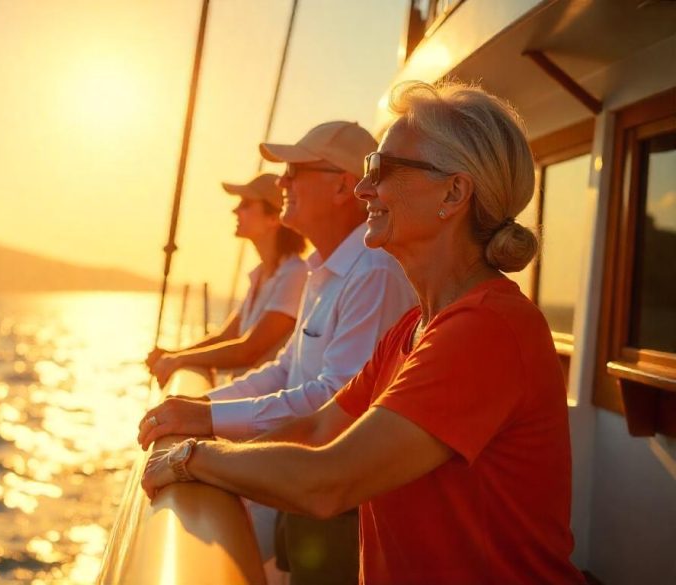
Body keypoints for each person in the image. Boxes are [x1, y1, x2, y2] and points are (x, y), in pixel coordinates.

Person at [141, 81, 587, 584]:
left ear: (453, 192)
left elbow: (329, 481)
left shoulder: (487, 329)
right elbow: (315, 430)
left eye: (382, 169)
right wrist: (209, 447)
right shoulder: (413, 328)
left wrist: (193, 458)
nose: (363, 188)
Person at [139, 121, 416, 585]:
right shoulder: (323, 271)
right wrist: (203, 406)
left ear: (343, 186)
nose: (282, 182)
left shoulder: (374, 274)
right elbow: (285, 367)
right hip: (304, 489)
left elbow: (333, 400)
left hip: (344, 514)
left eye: (294, 170)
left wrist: (208, 426)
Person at [146, 173, 307, 386]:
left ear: (274, 218)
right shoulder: (260, 274)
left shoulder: (295, 275)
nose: (235, 211)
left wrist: (180, 358)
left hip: (264, 411)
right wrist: (173, 354)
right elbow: (226, 337)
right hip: (243, 403)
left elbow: (248, 350)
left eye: (246, 204)